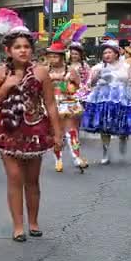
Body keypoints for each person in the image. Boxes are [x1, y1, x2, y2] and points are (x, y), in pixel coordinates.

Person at [0, 26, 62, 242]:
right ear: (8, 50)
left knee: (33, 180)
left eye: (27, 46)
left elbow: (51, 104)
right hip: (7, 130)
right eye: (17, 47)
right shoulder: (0, 73)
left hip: (35, 129)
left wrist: (57, 134)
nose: (23, 51)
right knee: (15, 177)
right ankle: (18, 225)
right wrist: (6, 86)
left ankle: (34, 222)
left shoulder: (41, 72)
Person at [80, 40, 131, 164]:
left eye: (109, 52)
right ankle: (105, 153)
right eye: (104, 53)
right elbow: (90, 84)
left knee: (122, 126)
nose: (106, 55)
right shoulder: (98, 67)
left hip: (121, 100)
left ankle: (123, 138)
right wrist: (97, 77)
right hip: (103, 100)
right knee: (104, 127)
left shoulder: (126, 66)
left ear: (116, 54)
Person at [45, 42, 86, 173]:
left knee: (72, 130)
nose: (52, 59)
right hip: (52, 103)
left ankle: (76, 157)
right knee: (56, 133)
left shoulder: (70, 70)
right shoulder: (45, 70)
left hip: (68, 103)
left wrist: (69, 85)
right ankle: (58, 160)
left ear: (62, 57)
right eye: (50, 56)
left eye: (55, 56)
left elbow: (78, 85)